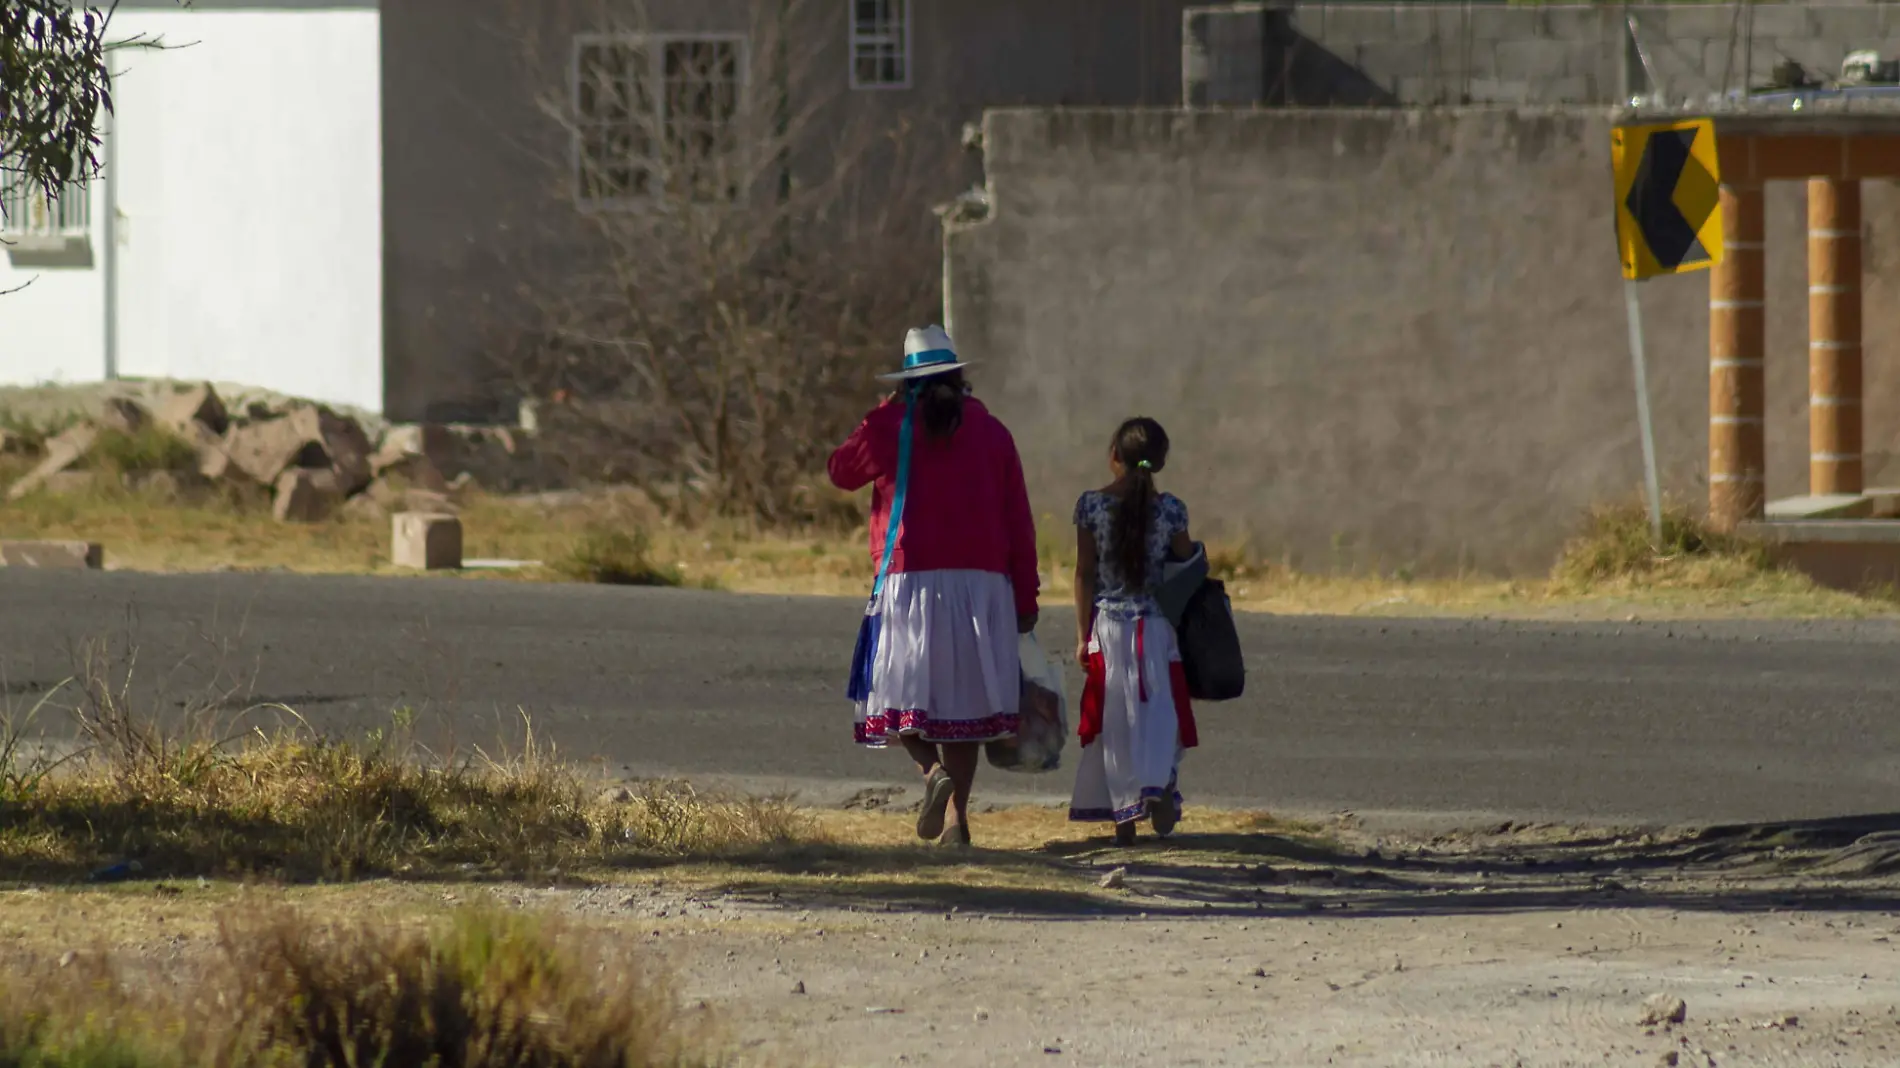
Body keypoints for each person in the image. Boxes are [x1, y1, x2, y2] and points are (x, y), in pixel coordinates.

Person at [828, 325, 1040, 847]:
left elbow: (840, 471)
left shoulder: (891, 426)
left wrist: (880, 413)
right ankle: (957, 824)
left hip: (911, 580)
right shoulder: (993, 433)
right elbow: (1019, 519)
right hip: (982, 585)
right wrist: (1026, 597)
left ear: (907, 381)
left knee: (899, 697)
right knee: (961, 711)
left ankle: (930, 773)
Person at [1068, 416, 1200, 846]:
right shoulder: (1172, 510)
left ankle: (1123, 822)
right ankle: (1159, 783)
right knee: (1158, 715)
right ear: (1160, 461)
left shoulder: (1091, 506)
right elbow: (1184, 563)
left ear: (1114, 458)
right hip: (1156, 629)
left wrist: (1081, 634)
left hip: (1109, 628)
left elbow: (1085, 574)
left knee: (1115, 723)